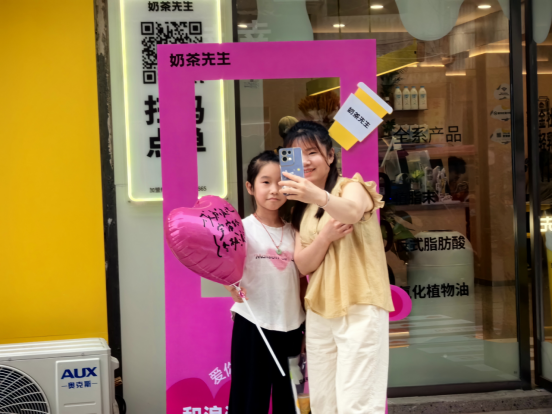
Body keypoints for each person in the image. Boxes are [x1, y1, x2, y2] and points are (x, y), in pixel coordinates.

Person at [279, 121, 394, 414]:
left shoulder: (351, 187)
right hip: (320, 309)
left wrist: (318, 196)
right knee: (323, 401)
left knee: (357, 401)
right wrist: (326, 237)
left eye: (312, 152)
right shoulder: (300, 209)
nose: (305, 162)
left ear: (330, 156)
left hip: (360, 304)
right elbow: (303, 263)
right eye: (296, 155)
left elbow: (352, 212)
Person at [225, 150, 305, 414]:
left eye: (281, 183)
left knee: (291, 403)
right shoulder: (239, 229)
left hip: (292, 328)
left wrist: (306, 326)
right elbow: (222, 268)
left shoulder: (297, 231)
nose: (274, 190)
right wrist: (230, 287)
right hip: (253, 326)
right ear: (250, 187)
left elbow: (302, 280)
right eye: (266, 182)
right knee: (249, 401)